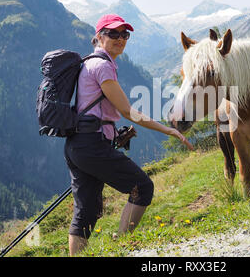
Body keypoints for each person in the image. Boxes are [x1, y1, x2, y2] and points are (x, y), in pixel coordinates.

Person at [64, 14, 193, 256]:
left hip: (78, 144)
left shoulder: (89, 62)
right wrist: (168, 129)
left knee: (87, 210)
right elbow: (127, 111)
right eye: (113, 33)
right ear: (99, 36)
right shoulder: (102, 66)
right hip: (92, 145)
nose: (120, 39)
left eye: (125, 34)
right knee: (142, 187)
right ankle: (121, 246)